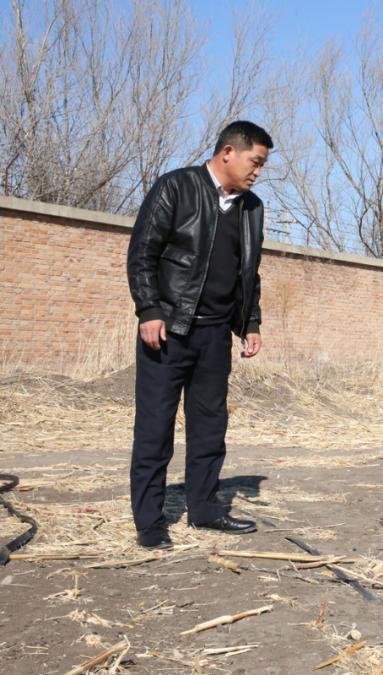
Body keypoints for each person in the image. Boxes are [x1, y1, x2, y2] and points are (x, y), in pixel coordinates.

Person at [126, 121, 273, 549]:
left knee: (210, 428)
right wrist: (149, 309)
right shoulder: (176, 188)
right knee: (155, 428)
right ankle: (150, 522)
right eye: (255, 162)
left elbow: (249, 271)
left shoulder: (252, 208)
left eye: (262, 166)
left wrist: (250, 322)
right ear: (228, 152)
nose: (257, 172)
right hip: (168, 333)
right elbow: (142, 253)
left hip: (214, 338)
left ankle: (205, 510)